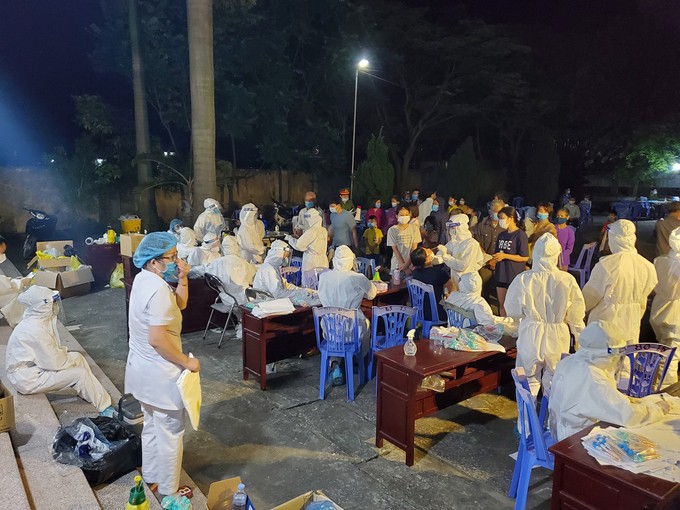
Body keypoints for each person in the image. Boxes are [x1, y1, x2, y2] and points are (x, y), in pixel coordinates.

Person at [124, 232, 199, 497]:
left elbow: (180, 303)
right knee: (170, 434)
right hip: (159, 375)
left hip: (142, 374)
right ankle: (169, 491)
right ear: (154, 262)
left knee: (153, 426)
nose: (176, 260)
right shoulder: (156, 290)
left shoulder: (145, 280)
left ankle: (153, 478)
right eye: (172, 257)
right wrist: (187, 362)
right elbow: (157, 340)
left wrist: (182, 278)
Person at [548, 321, 678, 442]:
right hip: (577, 439)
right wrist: (657, 409)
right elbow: (628, 415)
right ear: (607, 354)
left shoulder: (570, 362)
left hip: (561, 430)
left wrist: (626, 400)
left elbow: (605, 400)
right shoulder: (592, 378)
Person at [6, 286, 113, 414]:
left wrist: (66, 357)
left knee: (77, 357)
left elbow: (52, 356)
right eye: (53, 303)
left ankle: (89, 391)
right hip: (27, 378)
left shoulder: (37, 320)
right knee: (80, 374)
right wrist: (65, 359)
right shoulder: (35, 330)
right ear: (42, 307)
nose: (55, 305)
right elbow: (53, 362)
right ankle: (104, 408)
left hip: (33, 368)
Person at [505, 234, 586, 396]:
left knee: (527, 381)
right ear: (557, 255)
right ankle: (550, 420)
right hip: (557, 336)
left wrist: (515, 326)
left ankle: (527, 421)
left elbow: (512, 310)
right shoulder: (567, 279)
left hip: (531, 334)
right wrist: (579, 339)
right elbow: (576, 315)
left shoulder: (523, 279)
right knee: (554, 382)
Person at [583, 220, 657, 346]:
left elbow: (590, 296)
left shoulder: (607, 265)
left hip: (605, 322)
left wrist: (578, 312)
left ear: (614, 239)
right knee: (626, 359)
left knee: (602, 361)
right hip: (630, 322)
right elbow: (642, 302)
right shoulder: (647, 266)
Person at [318, 245, 378, 384]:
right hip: (353, 330)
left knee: (335, 340)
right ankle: (358, 360)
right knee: (366, 327)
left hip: (330, 328)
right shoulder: (357, 277)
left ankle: (335, 364)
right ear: (351, 260)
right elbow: (372, 294)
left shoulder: (324, 276)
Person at [650, 227, 680, 386]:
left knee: (663, 351)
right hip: (676, 313)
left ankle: (656, 384)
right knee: (672, 355)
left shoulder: (661, 260)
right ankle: (666, 390)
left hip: (659, 308)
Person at [446, 272, 517, 336]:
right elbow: (488, 324)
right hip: (473, 336)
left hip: (456, 332)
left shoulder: (453, 297)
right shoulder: (478, 303)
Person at [491, 206, 529, 316]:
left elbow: (524, 257)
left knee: (513, 304)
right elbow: (498, 252)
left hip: (513, 273)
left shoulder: (520, 235)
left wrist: (506, 256)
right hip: (501, 273)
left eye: (502, 218)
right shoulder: (501, 234)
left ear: (511, 218)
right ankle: (504, 327)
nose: (500, 221)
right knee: (501, 303)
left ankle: (514, 328)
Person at [206, 235, 257, 306]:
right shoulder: (242, 263)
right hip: (243, 299)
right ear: (236, 247)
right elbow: (251, 279)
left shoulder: (216, 262)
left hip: (225, 298)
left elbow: (207, 273)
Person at [437, 213, 485, 285]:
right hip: (455, 279)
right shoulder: (454, 242)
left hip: (469, 282)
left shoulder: (471, 244)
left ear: (461, 228)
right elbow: (441, 255)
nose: (451, 230)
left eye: (453, 228)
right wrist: (429, 256)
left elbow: (462, 266)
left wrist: (445, 256)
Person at [285, 208, 329, 283]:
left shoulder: (312, 231)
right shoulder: (323, 230)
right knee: (322, 283)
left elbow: (299, 245)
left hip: (311, 261)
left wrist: (289, 238)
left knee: (309, 285)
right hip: (323, 260)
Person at [410, 247, 454, 322]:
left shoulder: (415, 273)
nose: (430, 250)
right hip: (437, 314)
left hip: (420, 313)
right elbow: (453, 289)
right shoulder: (439, 273)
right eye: (427, 251)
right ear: (427, 260)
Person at [473, 199, 505, 296]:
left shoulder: (505, 225)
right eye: (493, 210)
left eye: (498, 211)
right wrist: (489, 260)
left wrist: (496, 261)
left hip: (501, 263)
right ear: (490, 210)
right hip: (485, 263)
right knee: (482, 288)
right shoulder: (481, 225)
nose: (495, 213)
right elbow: (477, 244)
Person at [386, 207, 422, 275]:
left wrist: (407, 264)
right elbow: (395, 250)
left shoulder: (414, 228)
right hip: (397, 266)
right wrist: (404, 266)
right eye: (402, 215)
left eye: (406, 215)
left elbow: (414, 249)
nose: (404, 217)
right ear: (397, 216)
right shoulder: (392, 230)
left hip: (411, 266)